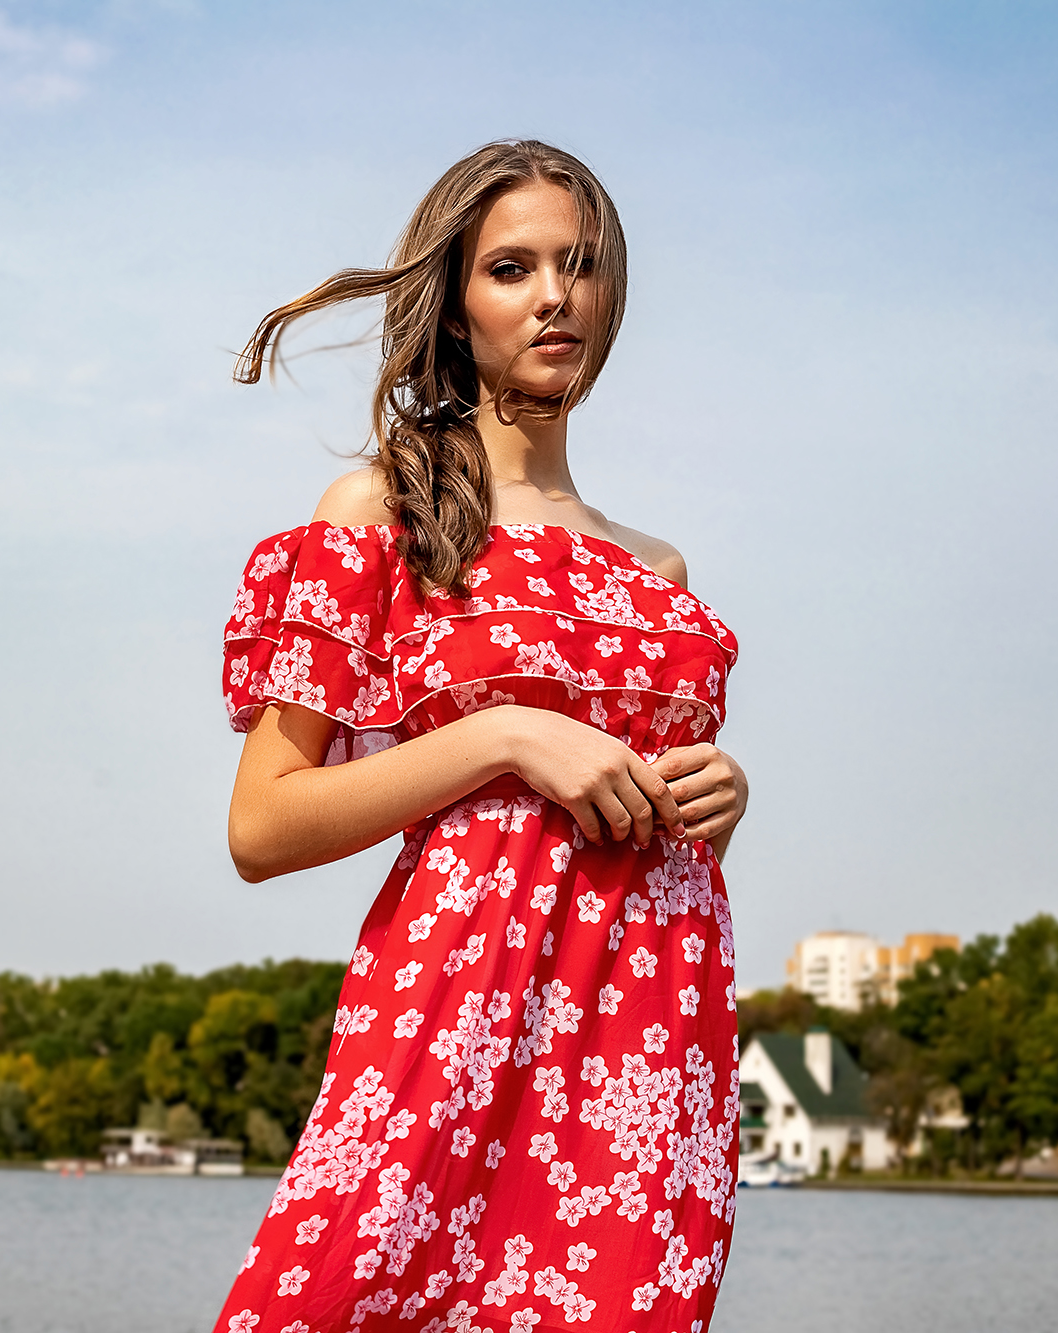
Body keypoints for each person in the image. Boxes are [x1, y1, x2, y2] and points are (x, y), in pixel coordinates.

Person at [212, 140, 749, 1333]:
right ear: (455, 311)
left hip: (649, 1041)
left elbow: (631, 799)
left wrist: (715, 789)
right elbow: (262, 825)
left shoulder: (655, 571)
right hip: (449, 1017)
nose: (554, 293)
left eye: (580, 263)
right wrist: (506, 733)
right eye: (511, 268)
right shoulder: (382, 510)